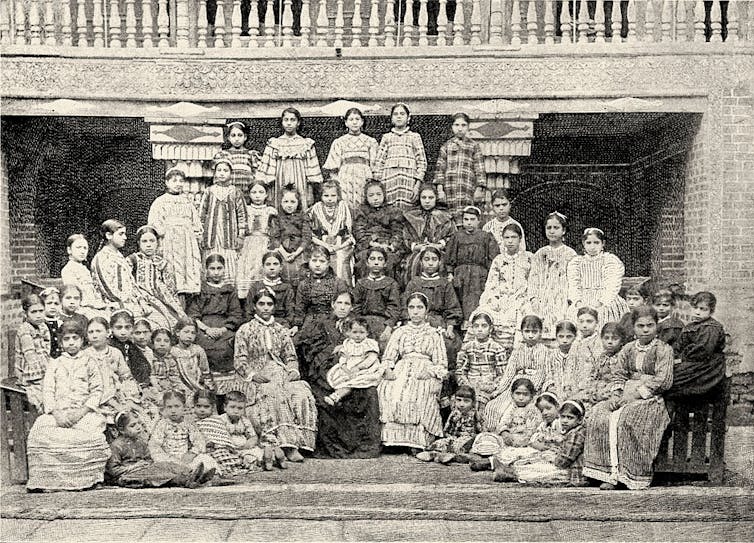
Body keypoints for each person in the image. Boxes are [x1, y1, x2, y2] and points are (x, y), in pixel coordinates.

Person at [583, 306, 674, 490]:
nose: (645, 329)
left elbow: (663, 380)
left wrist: (635, 393)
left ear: (657, 326)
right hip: (624, 393)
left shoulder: (663, 349)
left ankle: (626, 474)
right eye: (640, 326)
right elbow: (619, 374)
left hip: (650, 399)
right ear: (633, 328)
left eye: (650, 325)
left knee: (625, 419)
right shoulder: (628, 348)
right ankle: (600, 472)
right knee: (598, 414)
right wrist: (616, 394)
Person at [25, 320, 111, 491]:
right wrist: (57, 413)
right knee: (40, 430)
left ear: (82, 340)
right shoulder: (54, 364)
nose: (71, 342)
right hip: (58, 413)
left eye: (75, 338)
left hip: (84, 412)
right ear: (60, 341)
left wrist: (81, 412)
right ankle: (47, 481)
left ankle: (87, 478)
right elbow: (48, 391)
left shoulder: (89, 362)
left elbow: (97, 390)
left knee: (92, 433)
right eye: (67, 339)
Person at [234, 289, 318, 461]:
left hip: (281, 373)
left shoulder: (280, 330)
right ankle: (285, 445)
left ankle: (301, 443)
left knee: (301, 392)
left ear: (274, 307)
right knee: (273, 392)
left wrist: (293, 371)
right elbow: (240, 361)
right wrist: (252, 374)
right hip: (256, 376)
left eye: (269, 304)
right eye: (261, 304)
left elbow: (290, 356)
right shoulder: (245, 330)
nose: (265, 308)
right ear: (255, 306)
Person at [307, 291, 382, 459]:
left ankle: (363, 447)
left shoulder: (358, 325)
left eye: (347, 304)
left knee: (367, 393)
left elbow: (370, 353)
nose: (342, 307)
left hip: (359, 370)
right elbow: (311, 349)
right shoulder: (321, 324)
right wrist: (332, 351)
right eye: (339, 303)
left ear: (352, 306)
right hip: (329, 367)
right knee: (325, 393)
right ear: (332, 304)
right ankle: (332, 445)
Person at [377, 292, 448, 452]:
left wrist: (431, 371)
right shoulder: (400, 332)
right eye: (411, 307)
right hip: (402, 368)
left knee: (419, 393)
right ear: (407, 310)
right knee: (389, 390)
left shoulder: (434, 334)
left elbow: (441, 363)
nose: (415, 311)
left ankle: (418, 441)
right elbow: (388, 357)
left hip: (424, 370)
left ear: (426, 310)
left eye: (420, 307)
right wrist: (388, 369)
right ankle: (392, 441)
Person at [90, 220, 171, 329]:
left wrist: (140, 300)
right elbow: (109, 291)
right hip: (114, 304)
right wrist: (131, 304)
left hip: (131, 302)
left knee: (164, 321)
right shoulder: (102, 257)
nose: (125, 238)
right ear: (109, 235)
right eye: (121, 234)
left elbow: (131, 283)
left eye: (125, 234)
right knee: (153, 326)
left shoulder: (118, 256)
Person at [482, 316, 551, 434]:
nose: (530, 335)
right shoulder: (517, 350)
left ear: (541, 332)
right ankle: (494, 435)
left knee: (525, 409)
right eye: (527, 331)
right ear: (522, 332)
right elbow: (509, 372)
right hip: (515, 384)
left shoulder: (545, 351)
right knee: (493, 407)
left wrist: (537, 388)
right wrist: (499, 390)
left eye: (534, 332)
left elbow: (546, 373)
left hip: (533, 387)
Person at [496, 399, 587, 486]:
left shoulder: (576, 434)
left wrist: (552, 458)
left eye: (570, 418)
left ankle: (512, 475)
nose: (565, 421)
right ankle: (510, 470)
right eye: (563, 417)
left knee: (539, 471)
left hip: (572, 471)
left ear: (579, 419)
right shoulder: (572, 431)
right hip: (564, 464)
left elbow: (565, 460)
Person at [186, 254, 243, 389]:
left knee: (227, 347)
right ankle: (208, 386)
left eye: (219, 268)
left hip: (225, 328)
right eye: (212, 268)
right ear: (206, 270)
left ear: (224, 270)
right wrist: (207, 329)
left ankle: (227, 389)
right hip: (204, 328)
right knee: (205, 347)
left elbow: (236, 314)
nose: (216, 272)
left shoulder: (230, 290)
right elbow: (193, 314)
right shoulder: (200, 289)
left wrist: (223, 329)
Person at [106, 411, 205, 488]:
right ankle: (186, 480)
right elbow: (113, 470)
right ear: (121, 430)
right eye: (133, 425)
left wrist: (146, 463)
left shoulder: (141, 442)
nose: (138, 427)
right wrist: (133, 467)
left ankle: (193, 474)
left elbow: (148, 459)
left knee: (166, 465)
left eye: (139, 424)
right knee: (158, 475)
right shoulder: (116, 446)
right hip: (128, 475)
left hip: (143, 469)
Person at [147, 168, 203, 297]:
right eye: (174, 180)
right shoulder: (160, 201)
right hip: (169, 240)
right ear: (167, 182)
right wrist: (164, 232)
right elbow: (154, 223)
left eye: (181, 181)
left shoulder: (187, 201)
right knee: (171, 268)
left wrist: (196, 235)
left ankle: (188, 298)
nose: (178, 183)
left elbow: (195, 221)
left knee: (188, 268)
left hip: (187, 241)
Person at [292, 246, 349, 373]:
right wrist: (296, 325)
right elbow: (300, 308)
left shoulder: (338, 283)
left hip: (331, 321)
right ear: (309, 262)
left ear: (328, 263)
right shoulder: (304, 284)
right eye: (314, 261)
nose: (318, 265)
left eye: (322, 261)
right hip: (310, 321)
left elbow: (345, 305)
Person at [477, 223, 532, 350]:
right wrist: (493, 299)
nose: (510, 241)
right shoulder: (498, 259)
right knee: (485, 313)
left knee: (525, 317)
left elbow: (533, 283)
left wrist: (524, 297)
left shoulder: (529, 258)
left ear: (520, 238)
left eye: (514, 237)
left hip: (522, 299)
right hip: (501, 298)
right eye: (507, 238)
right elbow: (491, 283)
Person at [256, 107, 323, 209]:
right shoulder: (274, 144)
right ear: (282, 122)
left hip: (301, 182)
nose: (289, 123)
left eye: (293, 120)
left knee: (300, 205)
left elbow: (312, 171)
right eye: (286, 120)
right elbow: (267, 170)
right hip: (280, 181)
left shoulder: (306, 144)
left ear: (298, 122)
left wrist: (310, 191)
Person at [198, 151, 248, 286]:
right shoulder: (209, 191)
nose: (221, 173)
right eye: (219, 170)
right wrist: (201, 235)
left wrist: (241, 236)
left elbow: (242, 215)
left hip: (229, 238)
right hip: (211, 237)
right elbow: (201, 214)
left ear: (230, 173)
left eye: (225, 170)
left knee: (229, 266)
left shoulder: (235, 192)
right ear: (215, 173)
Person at [446, 206, 500, 326]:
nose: (469, 222)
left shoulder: (486, 236)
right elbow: (450, 257)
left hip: (479, 276)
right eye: (466, 219)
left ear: (478, 220)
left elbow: (493, 258)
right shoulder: (457, 237)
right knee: (459, 300)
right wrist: (450, 273)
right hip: (460, 275)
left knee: (477, 300)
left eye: (472, 219)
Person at [469, 378, 540, 468]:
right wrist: (504, 432)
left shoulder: (533, 410)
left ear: (532, 396)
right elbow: (503, 423)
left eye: (525, 394)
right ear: (512, 394)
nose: (521, 397)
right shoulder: (511, 408)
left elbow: (532, 429)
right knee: (485, 437)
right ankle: (483, 455)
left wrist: (521, 441)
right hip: (508, 439)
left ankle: (490, 463)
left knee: (524, 454)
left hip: (523, 442)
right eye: (518, 393)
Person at [667, 291, 727, 399]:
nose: (698, 312)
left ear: (711, 311)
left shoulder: (711, 327)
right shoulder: (691, 326)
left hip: (707, 365)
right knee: (666, 373)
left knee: (673, 379)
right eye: (695, 308)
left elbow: (702, 350)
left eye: (703, 309)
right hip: (692, 361)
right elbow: (679, 345)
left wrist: (681, 359)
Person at [528, 212, 577, 339]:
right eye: (549, 228)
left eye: (556, 228)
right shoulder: (540, 253)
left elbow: (574, 280)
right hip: (542, 297)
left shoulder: (570, 254)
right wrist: (533, 298)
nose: (552, 231)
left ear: (564, 230)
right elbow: (533, 277)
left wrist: (570, 300)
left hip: (562, 298)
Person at [148, 390, 219, 478]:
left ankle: (208, 476)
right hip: (168, 458)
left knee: (205, 459)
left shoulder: (188, 423)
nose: (173, 411)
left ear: (184, 408)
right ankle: (189, 477)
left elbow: (199, 441)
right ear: (164, 409)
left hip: (185, 458)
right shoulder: (162, 424)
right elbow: (154, 445)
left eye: (177, 406)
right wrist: (166, 458)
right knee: (164, 468)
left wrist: (192, 453)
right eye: (169, 407)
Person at [127, 225, 188, 328]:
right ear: (138, 243)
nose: (149, 245)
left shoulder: (162, 263)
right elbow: (128, 282)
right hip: (141, 297)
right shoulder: (132, 260)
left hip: (162, 298)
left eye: (152, 241)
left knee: (179, 320)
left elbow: (170, 289)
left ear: (157, 243)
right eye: (144, 241)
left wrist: (177, 307)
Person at [567, 227, 629, 326]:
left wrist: (601, 302)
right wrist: (578, 302)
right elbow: (574, 285)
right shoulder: (576, 262)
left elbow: (612, 285)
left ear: (603, 243)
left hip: (606, 301)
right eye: (589, 243)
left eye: (596, 243)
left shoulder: (610, 260)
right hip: (583, 299)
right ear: (583, 243)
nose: (592, 246)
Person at [433, 112, 487, 221]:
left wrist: (479, 188)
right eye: (457, 125)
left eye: (463, 125)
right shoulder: (446, 146)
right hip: (450, 189)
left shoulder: (474, 146)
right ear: (452, 127)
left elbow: (480, 169)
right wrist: (440, 190)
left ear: (468, 127)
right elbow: (440, 170)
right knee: (450, 219)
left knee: (467, 218)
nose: (460, 129)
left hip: (467, 189)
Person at [193, 390, 261, 475]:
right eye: (232, 407)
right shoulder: (220, 419)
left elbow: (253, 436)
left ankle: (253, 462)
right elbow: (217, 436)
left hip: (242, 447)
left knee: (255, 452)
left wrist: (247, 445)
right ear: (225, 407)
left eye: (240, 408)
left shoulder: (244, 421)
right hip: (226, 447)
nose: (236, 411)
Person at [373, 103, 427, 210]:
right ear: (392, 118)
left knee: (408, 211)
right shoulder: (387, 137)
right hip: (389, 181)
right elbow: (379, 162)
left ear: (408, 117)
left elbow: (422, 162)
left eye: (402, 114)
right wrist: (379, 187)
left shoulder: (415, 137)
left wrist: (417, 186)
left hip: (409, 181)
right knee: (390, 212)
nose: (399, 116)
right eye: (395, 114)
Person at [323, 107, 379, 209]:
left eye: (357, 119)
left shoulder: (371, 141)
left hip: (364, 176)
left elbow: (375, 165)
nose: (354, 122)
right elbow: (332, 169)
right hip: (345, 178)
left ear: (362, 122)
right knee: (346, 204)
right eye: (351, 119)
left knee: (364, 204)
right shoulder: (339, 142)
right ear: (346, 122)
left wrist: (371, 182)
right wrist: (338, 183)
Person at [401, 184, 456, 283]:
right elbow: (406, 237)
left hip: (439, 252)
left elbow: (452, 236)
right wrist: (416, 246)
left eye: (431, 198)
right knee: (414, 263)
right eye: (424, 197)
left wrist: (439, 245)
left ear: (436, 198)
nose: (427, 201)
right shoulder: (411, 216)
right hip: (417, 252)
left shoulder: (444, 217)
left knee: (439, 263)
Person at [352, 180, 405, 280]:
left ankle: (388, 290)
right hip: (368, 246)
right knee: (365, 259)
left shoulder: (392, 211)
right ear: (366, 197)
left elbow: (397, 231)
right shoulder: (361, 211)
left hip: (387, 245)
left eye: (378, 194)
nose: (375, 198)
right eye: (371, 195)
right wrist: (372, 244)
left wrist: (391, 246)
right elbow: (360, 233)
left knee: (388, 260)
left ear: (384, 195)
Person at [323, 317, 383, 406]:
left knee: (353, 383)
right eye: (355, 332)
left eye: (362, 332)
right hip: (349, 367)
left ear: (367, 333)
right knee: (343, 379)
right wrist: (344, 366)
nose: (358, 335)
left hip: (366, 369)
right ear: (349, 332)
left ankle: (336, 396)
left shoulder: (369, 343)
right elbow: (343, 357)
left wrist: (358, 367)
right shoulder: (348, 343)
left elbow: (371, 359)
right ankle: (338, 397)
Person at [455, 311, 507, 413]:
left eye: (484, 326)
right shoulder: (467, 348)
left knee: (482, 403)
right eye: (476, 326)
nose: (480, 329)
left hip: (489, 386)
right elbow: (460, 371)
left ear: (490, 328)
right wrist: (467, 384)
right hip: (469, 386)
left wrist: (492, 386)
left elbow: (502, 374)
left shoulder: (497, 349)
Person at [416, 385, 481, 464]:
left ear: (473, 402)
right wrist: (449, 437)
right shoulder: (454, 413)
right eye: (459, 400)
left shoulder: (475, 414)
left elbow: (480, 430)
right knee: (441, 443)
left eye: (466, 401)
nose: (461, 404)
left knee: (462, 446)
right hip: (453, 437)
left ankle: (451, 456)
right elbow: (447, 428)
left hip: (467, 439)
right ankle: (433, 454)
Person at [352, 247, 401, 349]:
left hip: (383, 324)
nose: (376, 262)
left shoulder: (391, 283)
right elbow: (356, 306)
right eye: (373, 259)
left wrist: (388, 328)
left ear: (385, 263)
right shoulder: (361, 283)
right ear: (367, 262)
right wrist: (359, 327)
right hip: (363, 324)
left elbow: (394, 308)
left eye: (380, 259)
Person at [236, 182, 278, 301]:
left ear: (266, 195)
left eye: (261, 192)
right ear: (249, 194)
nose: (257, 196)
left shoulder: (270, 211)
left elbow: (274, 230)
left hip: (264, 243)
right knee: (247, 270)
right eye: (254, 192)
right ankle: (246, 300)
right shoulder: (246, 209)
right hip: (248, 244)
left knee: (261, 268)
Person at [309, 180, 355, 285]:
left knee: (341, 259)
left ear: (338, 196)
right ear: (321, 196)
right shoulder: (316, 208)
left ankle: (342, 288)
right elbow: (313, 234)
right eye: (326, 195)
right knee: (320, 259)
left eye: (333, 195)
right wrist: (325, 245)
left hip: (342, 244)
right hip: (321, 244)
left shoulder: (343, 207)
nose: (329, 199)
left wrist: (338, 246)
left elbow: (348, 231)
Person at [267, 186, 311, 287]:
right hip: (282, 252)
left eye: (293, 202)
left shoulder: (303, 217)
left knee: (302, 275)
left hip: (300, 253)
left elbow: (306, 237)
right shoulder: (276, 218)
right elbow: (275, 238)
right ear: (280, 202)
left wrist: (296, 253)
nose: (289, 205)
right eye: (286, 201)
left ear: (298, 203)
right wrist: (284, 254)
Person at [14, 293, 51, 411]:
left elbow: (46, 349)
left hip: (43, 365)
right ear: (26, 314)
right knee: (42, 392)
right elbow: (30, 355)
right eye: (34, 312)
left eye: (41, 311)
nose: (38, 315)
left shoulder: (43, 327)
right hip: (29, 370)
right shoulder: (25, 330)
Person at [61, 233, 108, 318]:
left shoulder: (85, 269)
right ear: (69, 250)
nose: (82, 251)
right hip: (81, 310)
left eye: (85, 248)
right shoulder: (68, 270)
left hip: (94, 307)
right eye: (78, 247)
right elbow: (75, 296)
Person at [561, 307, 604, 402]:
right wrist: (568, 386)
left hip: (589, 387)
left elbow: (597, 368)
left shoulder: (598, 342)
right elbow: (570, 365)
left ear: (596, 323)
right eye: (581, 321)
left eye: (589, 321)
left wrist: (588, 387)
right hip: (573, 386)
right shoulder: (576, 342)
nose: (584, 325)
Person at [170, 318, 215, 404]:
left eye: (193, 333)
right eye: (186, 332)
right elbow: (174, 377)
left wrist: (208, 388)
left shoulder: (198, 350)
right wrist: (186, 392)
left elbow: (205, 372)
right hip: (182, 390)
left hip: (199, 389)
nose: (189, 336)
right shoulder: (173, 352)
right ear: (178, 333)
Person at [248, 251, 296, 330]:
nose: (272, 267)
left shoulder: (287, 288)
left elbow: (290, 312)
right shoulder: (255, 287)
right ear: (263, 267)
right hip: (258, 325)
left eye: (275, 264)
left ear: (281, 267)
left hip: (281, 325)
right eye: (268, 264)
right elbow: (249, 311)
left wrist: (286, 326)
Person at [109, 309, 152, 388]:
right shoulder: (108, 347)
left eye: (127, 327)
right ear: (111, 328)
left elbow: (143, 368)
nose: (123, 332)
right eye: (119, 327)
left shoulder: (131, 347)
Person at [223, 121, 262, 198]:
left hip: (247, 193)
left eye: (240, 135)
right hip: (229, 194)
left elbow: (257, 176)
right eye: (233, 135)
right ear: (228, 137)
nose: (236, 139)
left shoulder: (252, 154)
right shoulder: (224, 155)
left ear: (245, 137)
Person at [545, 320, 577, 400]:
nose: (565, 340)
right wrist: (551, 387)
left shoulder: (577, 355)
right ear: (556, 337)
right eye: (561, 336)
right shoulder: (551, 355)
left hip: (573, 392)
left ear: (575, 337)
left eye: (569, 336)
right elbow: (548, 373)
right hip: (555, 391)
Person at [39, 287, 62, 359]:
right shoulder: (40, 324)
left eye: (56, 304)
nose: (53, 307)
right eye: (49, 303)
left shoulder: (61, 323)